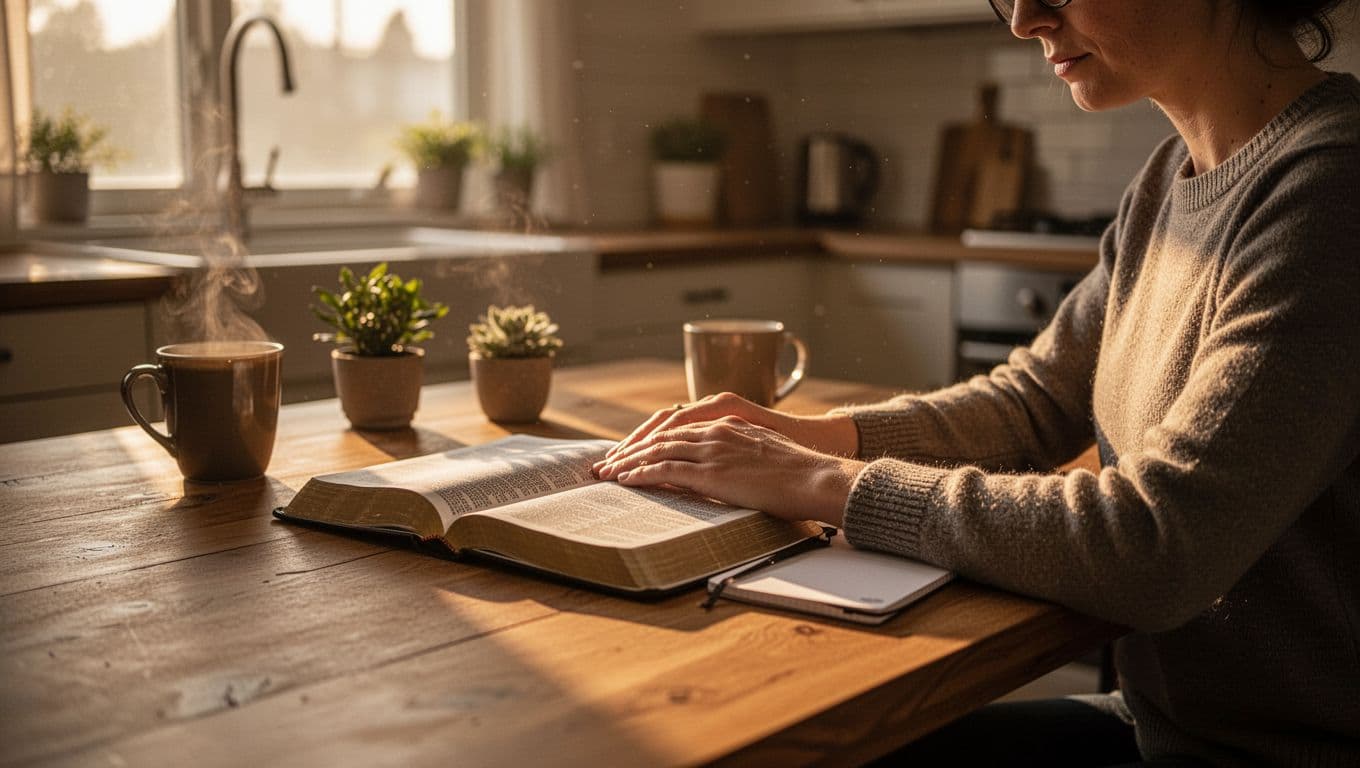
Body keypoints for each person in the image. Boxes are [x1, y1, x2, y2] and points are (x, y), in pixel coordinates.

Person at [593, 0, 1360, 765]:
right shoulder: (1167, 181)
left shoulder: (1334, 190)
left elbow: (1154, 544)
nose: (1026, 17)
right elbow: (1036, 400)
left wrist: (822, 480)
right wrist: (810, 437)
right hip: (1166, 727)